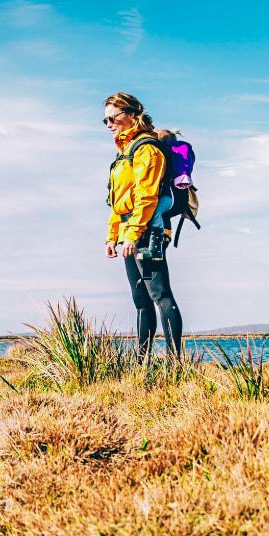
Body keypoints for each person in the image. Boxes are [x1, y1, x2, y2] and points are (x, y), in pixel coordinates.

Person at [103, 93, 184, 359]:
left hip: (147, 230)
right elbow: (119, 202)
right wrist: (112, 237)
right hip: (129, 232)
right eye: (104, 120)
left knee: (161, 295)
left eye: (112, 117)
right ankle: (141, 364)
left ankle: (175, 364)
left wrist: (134, 234)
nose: (109, 124)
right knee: (141, 301)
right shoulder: (123, 153)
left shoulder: (146, 149)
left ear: (131, 114)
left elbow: (146, 196)